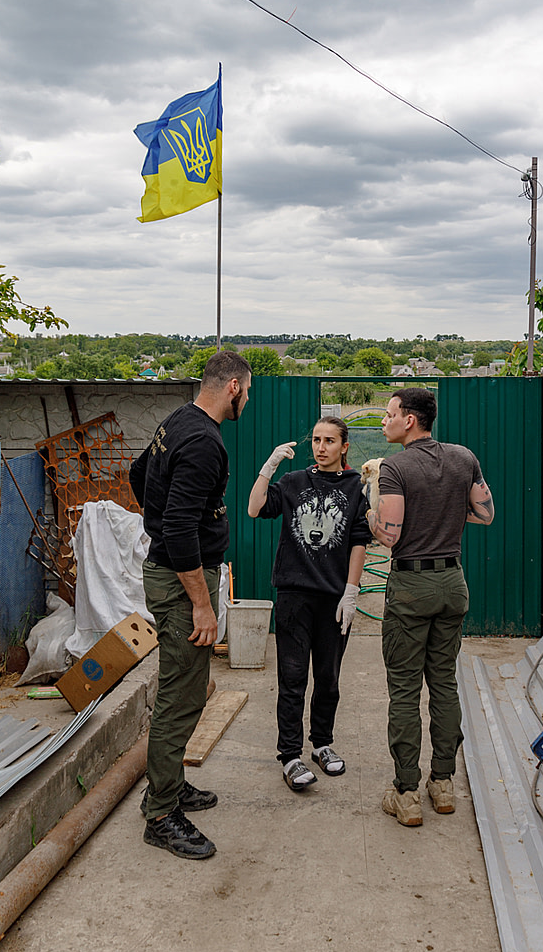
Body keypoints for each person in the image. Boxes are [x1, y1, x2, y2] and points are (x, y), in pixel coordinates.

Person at [129, 350, 252, 859]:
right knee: (182, 697)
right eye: (247, 390)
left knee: (188, 689)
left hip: (173, 572)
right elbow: (180, 527)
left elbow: (139, 475)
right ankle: (160, 814)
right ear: (233, 389)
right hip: (183, 583)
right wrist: (202, 605)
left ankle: (170, 786)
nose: (247, 398)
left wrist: (157, 522)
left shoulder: (179, 419)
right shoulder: (204, 441)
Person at [366, 387, 494, 827]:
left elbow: (389, 536)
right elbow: (485, 512)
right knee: (443, 683)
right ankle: (442, 784)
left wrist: (370, 512)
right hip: (452, 583)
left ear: (411, 420)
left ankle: (405, 793)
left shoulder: (394, 468)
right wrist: (444, 516)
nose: (384, 421)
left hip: (412, 586)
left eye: (389, 415)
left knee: (403, 689)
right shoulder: (463, 457)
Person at [248, 417, 371, 791]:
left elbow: (359, 542)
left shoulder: (354, 488)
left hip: (333, 599)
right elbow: (255, 509)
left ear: (344, 446)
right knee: (293, 679)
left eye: (329, 440)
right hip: (293, 596)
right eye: (316, 440)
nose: (320, 447)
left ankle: (322, 744)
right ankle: (289, 755)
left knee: (329, 679)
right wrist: (269, 467)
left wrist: (352, 591)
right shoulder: (292, 482)